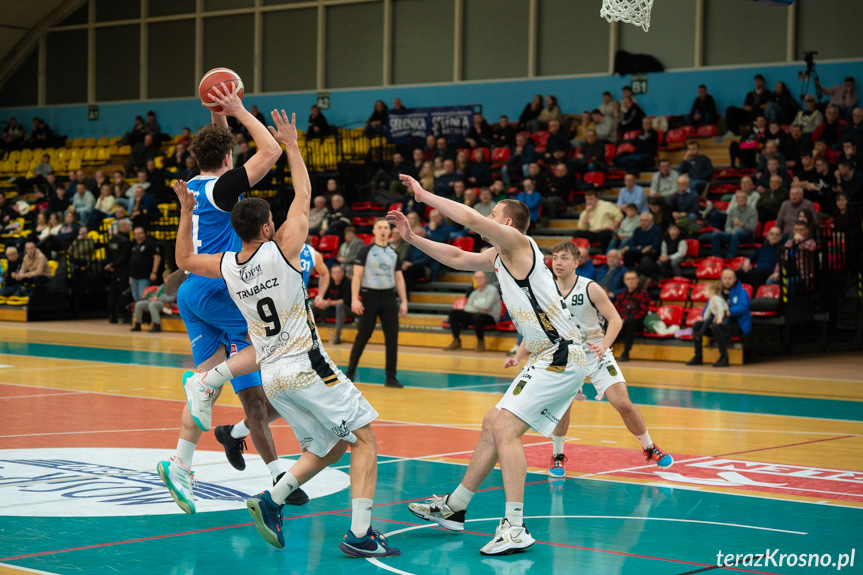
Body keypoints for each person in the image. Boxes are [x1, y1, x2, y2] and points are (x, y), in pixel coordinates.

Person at [169, 147, 398, 559]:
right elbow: (304, 192)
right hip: (307, 366)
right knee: (365, 440)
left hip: (273, 375)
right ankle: (361, 535)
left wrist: (187, 211)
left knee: (330, 445)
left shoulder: (227, 265)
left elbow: (183, 258)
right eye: (272, 221)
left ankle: (273, 500)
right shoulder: (285, 250)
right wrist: (291, 147)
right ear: (267, 227)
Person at [390, 175, 588, 556]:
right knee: (492, 424)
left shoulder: (517, 243)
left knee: (506, 431)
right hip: (547, 354)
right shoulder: (499, 257)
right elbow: (457, 257)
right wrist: (413, 239)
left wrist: (424, 194)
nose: (486, 216)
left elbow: (469, 218)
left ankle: (515, 527)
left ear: (507, 223)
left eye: (494, 213)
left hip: (561, 353)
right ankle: (455, 506)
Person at [155, 85, 309, 515]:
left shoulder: (203, 187)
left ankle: (180, 463)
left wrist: (217, 115)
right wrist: (239, 109)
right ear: (227, 161)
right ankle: (208, 383)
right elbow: (271, 152)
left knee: (203, 391)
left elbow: (224, 149)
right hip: (224, 290)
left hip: (192, 289)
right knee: (270, 343)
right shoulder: (224, 188)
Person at [507, 241, 671, 477]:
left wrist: (604, 345)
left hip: (595, 352)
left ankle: (649, 447)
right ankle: (557, 454)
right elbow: (536, 328)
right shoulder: (546, 290)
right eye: (555, 258)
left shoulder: (590, 288)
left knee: (623, 403)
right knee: (562, 406)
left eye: (564, 258)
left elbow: (616, 320)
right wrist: (518, 355)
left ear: (576, 263)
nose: (558, 262)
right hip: (566, 355)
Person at [345, 218, 409, 389]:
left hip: (389, 298)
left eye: (385, 228)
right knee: (363, 336)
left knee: (392, 338)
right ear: (373, 231)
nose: (382, 230)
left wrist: (403, 301)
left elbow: (399, 278)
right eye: (379, 227)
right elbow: (357, 277)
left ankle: (391, 378)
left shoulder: (394, 253)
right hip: (369, 297)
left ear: (389, 232)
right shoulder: (365, 251)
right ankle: (350, 374)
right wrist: (354, 299)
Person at [687, 269, 751, 368]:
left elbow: (743, 307)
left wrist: (728, 312)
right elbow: (708, 308)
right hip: (718, 323)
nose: (727, 281)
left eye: (730, 278)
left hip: (736, 325)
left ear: (735, 279)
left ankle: (724, 358)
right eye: (725, 278)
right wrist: (706, 319)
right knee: (697, 326)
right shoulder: (717, 293)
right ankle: (698, 357)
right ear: (721, 279)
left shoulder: (742, 292)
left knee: (717, 326)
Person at [444, 271, 501, 352]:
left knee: (477, 317)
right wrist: (480, 309)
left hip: (491, 316)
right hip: (477, 315)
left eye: (481, 277)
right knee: (454, 313)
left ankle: (481, 343)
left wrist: (475, 305)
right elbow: (467, 308)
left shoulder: (492, 290)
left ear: (486, 279)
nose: (478, 280)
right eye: (476, 278)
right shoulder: (474, 293)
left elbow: (487, 306)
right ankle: (456, 340)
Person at [705, 190, 758, 258]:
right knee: (715, 234)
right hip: (733, 234)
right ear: (735, 200)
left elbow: (753, 228)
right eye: (738, 197)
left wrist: (741, 224)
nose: (740, 199)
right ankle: (715, 257)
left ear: (746, 199)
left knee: (737, 233)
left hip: (747, 235)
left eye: (743, 197)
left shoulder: (752, 211)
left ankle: (729, 257)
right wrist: (730, 231)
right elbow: (727, 226)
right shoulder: (732, 211)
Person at [613, 270, 649, 362]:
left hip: (637, 324)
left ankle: (626, 352)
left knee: (631, 321)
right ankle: (605, 350)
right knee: (610, 321)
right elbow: (615, 309)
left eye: (633, 279)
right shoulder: (622, 294)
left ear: (637, 280)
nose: (630, 281)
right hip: (623, 323)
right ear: (625, 281)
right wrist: (619, 319)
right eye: (628, 279)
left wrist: (624, 319)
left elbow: (642, 313)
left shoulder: (643, 293)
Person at [314, 264, 352, 344]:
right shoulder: (329, 282)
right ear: (331, 274)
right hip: (331, 310)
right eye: (334, 272)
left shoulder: (348, 283)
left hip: (346, 310)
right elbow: (324, 298)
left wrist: (329, 303)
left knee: (339, 306)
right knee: (313, 306)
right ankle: (309, 335)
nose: (336, 274)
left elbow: (345, 301)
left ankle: (337, 336)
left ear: (343, 273)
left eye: (338, 272)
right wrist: (322, 303)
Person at [128, 227, 162, 302]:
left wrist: (154, 272)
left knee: (142, 297)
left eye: (140, 233)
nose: (138, 235)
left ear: (144, 234)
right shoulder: (133, 244)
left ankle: (144, 313)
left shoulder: (150, 244)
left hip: (144, 276)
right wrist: (130, 275)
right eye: (135, 234)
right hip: (134, 276)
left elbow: (157, 258)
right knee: (135, 298)